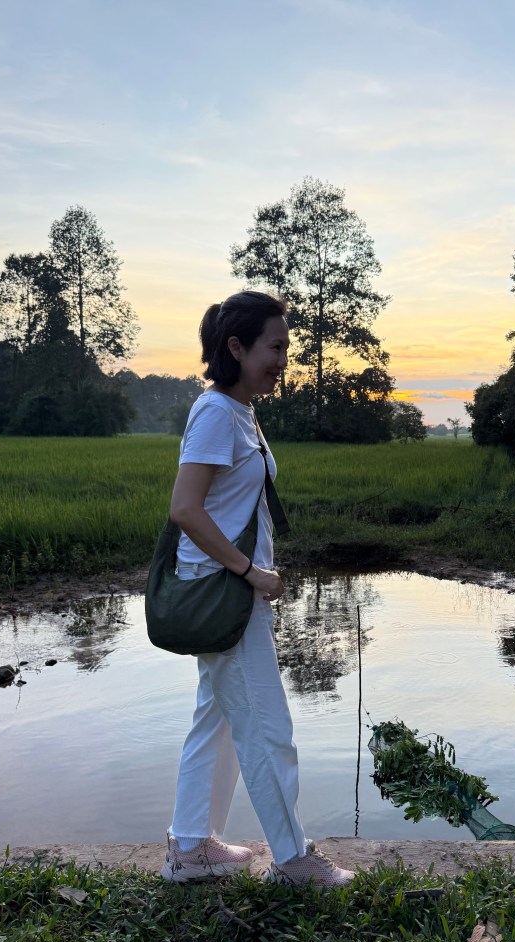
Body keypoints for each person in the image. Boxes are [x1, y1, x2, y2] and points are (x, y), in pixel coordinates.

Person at [160, 290, 354, 889]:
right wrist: (249, 571)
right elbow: (186, 509)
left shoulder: (240, 409)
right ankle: (293, 860)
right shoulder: (218, 411)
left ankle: (190, 848)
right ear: (236, 347)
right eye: (274, 347)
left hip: (229, 589)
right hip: (225, 591)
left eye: (286, 348)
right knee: (267, 726)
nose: (282, 359)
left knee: (216, 720)